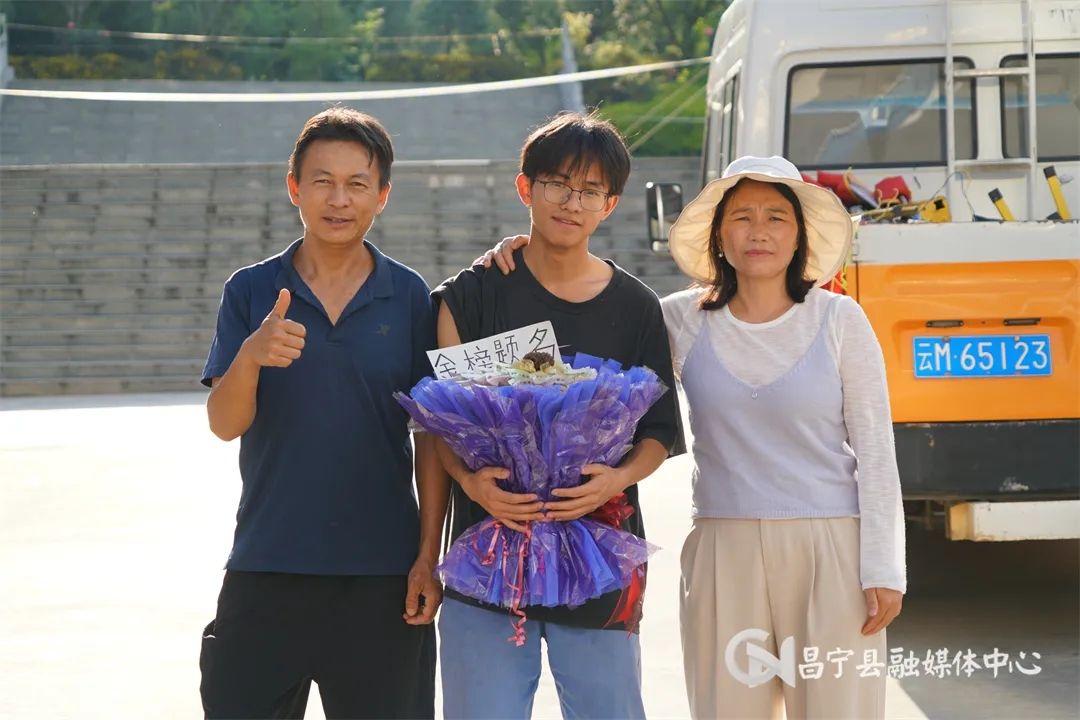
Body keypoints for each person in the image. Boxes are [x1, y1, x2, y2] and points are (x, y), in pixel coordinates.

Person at [481, 155, 906, 719]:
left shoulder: (839, 320)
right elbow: (584, 334)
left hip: (831, 550)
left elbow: (876, 451)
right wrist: (528, 255)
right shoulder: (679, 318)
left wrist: (883, 570)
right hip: (722, 550)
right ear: (718, 235)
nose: (759, 231)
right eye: (742, 217)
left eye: (776, 218)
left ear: (799, 234)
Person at [432, 111, 684, 720]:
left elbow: (659, 432)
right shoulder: (472, 295)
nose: (572, 203)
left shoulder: (636, 306)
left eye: (590, 191)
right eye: (557, 184)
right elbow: (441, 423)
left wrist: (616, 478)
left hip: (598, 559)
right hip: (487, 556)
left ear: (610, 204)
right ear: (526, 187)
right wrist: (471, 483)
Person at [198, 107, 442, 719]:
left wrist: (427, 555)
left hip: (383, 577)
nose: (339, 199)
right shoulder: (251, 290)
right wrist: (251, 356)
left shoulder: (409, 295)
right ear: (294, 187)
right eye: (322, 181)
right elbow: (224, 423)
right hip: (268, 563)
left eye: (357, 183)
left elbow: (433, 436)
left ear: (382, 195)